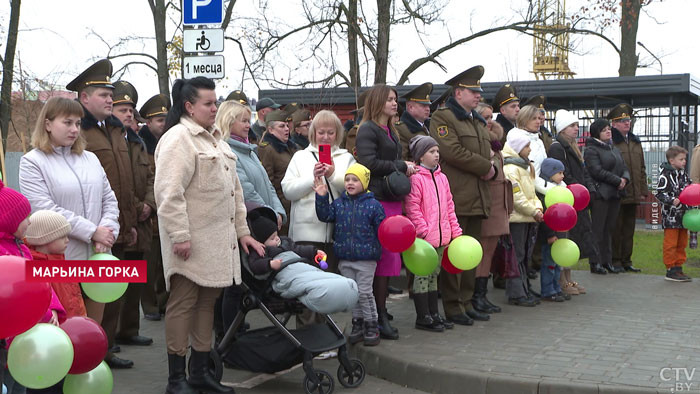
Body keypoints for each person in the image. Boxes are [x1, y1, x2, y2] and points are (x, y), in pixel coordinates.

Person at [154, 76, 263, 394]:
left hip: (218, 244)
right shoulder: (179, 139)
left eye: (215, 102)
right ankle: (176, 380)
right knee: (183, 304)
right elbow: (168, 193)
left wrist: (243, 231)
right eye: (209, 103)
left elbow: (236, 194)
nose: (215, 108)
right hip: (189, 243)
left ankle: (199, 372)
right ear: (189, 106)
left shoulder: (216, 140)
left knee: (206, 305)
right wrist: (179, 235)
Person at [18, 97, 119, 326]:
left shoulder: (90, 159)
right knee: (68, 331)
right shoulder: (32, 162)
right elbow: (44, 209)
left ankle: (99, 360)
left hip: (98, 256)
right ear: (48, 124)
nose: (75, 129)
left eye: (78, 123)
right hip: (60, 260)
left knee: (94, 329)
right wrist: (92, 231)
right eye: (68, 122)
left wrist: (107, 232)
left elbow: (109, 199)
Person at [65, 60, 138, 369]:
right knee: (87, 299)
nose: (110, 99)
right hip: (85, 236)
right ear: (84, 98)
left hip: (114, 228)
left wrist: (129, 222)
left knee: (111, 297)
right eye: (102, 94)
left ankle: (103, 350)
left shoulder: (115, 131)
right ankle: (87, 353)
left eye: (110, 94)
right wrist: (95, 230)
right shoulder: (76, 133)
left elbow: (123, 182)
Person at [429, 66, 495, 325]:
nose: (478, 95)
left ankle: (467, 302)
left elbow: (489, 154)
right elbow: (451, 152)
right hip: (457, 196)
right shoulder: (443, 118)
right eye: (473, 91)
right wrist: (486, 168)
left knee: (471, 253)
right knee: (455, 255)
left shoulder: (477, 121)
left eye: (479, 91)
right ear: (458, 93)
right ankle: (454, 307)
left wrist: (493, 167)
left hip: (478, 197)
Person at [215, 100, 286, 334]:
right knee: (234, 285)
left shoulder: (250, 150)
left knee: (241, 285)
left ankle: (235, 328)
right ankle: (228, 333)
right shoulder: (228, 151)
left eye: (248, 120)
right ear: (228, 122)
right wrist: (268, 215)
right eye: (243, 121)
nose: (249, 125)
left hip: (261, 221)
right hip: (247, 225)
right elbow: (246, 190)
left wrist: (277, 212)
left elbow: (267, 185)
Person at [355, 84, 417, 339]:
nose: (395, 104)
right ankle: (376, 316)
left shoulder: (390, 129)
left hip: (392, 199)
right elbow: (367, 163)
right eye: (390, 99)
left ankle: (380, 312)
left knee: (390, 260)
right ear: (378, 101)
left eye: (395, 99)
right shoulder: (367, 129)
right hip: (378, 200)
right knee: (381, 260)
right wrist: (401, 165)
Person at [1, 184, 67, 394]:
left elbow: (41, 284)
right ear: (9, 220)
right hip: (9, 340)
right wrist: (43, 313)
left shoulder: (21, 246)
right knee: (9, 383)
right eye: (25, 216)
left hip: (26, 339)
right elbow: (17, 296)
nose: (30, 221)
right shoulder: (4, 253)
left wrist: (53, 307)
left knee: (21, 385)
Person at [314, 163, 386, 346]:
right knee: (354, 294)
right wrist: (321, 197)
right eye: (347, 179)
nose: (350, 183)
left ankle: (372, 324)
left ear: (364, 182)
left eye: (355, 180)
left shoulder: (373, 205)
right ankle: (357, 323)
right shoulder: (339, 203)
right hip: (345, 257)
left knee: (365, 292)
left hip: (366, 258)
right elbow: (325, 215)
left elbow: (383, 230)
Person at [110, 80, 155, 348]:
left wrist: (149, 203)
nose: (128, 114)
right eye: (122, 108)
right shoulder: (112, 141)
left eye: (130, 109)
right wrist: (138, 207)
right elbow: (116, 182)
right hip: (122, 221)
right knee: (115, 283)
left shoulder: (136, 142)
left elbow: (150, 177)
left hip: (143, 220)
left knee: (134, 278)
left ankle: (129, 329)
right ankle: (112, 333)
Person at [282, 110, 355, 274]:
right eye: (321, 132)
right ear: (313, 133)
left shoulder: (347, 158)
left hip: (337, 235)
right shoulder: (300, 157)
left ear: (337, 134)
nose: (326, 137)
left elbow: (352, 191)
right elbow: (288, 191)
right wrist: (312, 178)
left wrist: (333, 175)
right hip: (305, 236)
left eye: (331, 132)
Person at [404, 135, 461, 331]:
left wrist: (455, 230)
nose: (436, 155)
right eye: (431, 152)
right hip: (425, 238)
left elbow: (449, 206)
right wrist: (423, 230)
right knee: (422, 274)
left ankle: (434, 313)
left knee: (434, 275)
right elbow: (412, 207)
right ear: (420, 156)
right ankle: (423, 316)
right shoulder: (416, 178)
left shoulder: (442, 178)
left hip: (442, 236)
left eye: (437, 151)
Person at [549, 109, 603, 287]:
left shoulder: (575, 147)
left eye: (577, 125)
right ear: (562, 128)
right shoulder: (558, 147)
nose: (576, 129)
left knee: (574, 239)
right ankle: (562, 280)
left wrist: (587, 190)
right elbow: (563, 174)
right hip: (567, 197)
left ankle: (569, 277)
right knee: (566, 238)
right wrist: (575, 190)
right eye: (572, 125)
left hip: (578, 199)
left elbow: (583, 171)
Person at [138, 93, 171, 321]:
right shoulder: (141, 146)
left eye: (165, 120)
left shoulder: (170, 143)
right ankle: (149, 305)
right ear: (148, 123)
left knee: (164, 264)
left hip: (167, 213)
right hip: (149, 214)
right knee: (148, 265)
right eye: (159, 120)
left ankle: (163, 302)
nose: (163, 124)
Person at [506, 105, 547, 285]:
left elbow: (539, 169)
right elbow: (518, 193)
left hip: (534, 200)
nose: (539, 121)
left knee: (526, 250)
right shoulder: (517, 140)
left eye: (540, 118)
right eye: (534, 118)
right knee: (518, 252)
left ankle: (525, 286)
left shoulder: (538, 140)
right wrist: (536, 207)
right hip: (523, 208)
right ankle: (518, 289)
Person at [474, 102, 509, 311]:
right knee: (482, 249)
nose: (490, 121)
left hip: (498, 200)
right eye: (485, 117)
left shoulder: (495, 142)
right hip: (487, 198)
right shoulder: (481, 142)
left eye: (490, 117)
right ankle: (476, 294)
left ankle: (482, 293)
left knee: (490, 249)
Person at [584, 119, 630, 275]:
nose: (608, 132)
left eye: (609, 129)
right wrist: (617, 181)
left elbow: (623, 166)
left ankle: (607, 261)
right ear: (597, 132)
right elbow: (596, 171)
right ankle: (595, 262)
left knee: (609, 229)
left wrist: (625, 179)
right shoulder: (591, 150)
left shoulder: (613, 148)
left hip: (615, 194)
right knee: (598, 229)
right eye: (604, 130)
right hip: (601, 194)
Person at [502, 134, 542, 307]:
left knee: (524, 254)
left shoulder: (525, 167)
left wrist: (538, 208)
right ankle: (516, 293)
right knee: (516, 255)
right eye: (526, 146)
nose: (530, 149)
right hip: (517, 219)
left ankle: (524, 288)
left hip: (527, 217)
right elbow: (516, 196)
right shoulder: (511, 169)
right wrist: (534, 210)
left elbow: (531, 193)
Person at [25, 210, 86, 318]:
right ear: (45, 239)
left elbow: (74, 296)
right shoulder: (34, 267)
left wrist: (81, 316)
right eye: (62, 237)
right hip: (55, 327)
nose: (67, 240)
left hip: (73, 324)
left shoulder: (61, 262)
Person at [609, 103, 646, 273]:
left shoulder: (635, 142)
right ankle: (615, 260)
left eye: (628, 120)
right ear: (614, 123)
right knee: (616, 228)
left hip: (634, 192)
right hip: (618, 192)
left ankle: (626, 260)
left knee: (629, 229)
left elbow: (642, 169)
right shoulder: (611, 143)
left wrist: (643, 191)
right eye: (622, 120)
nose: (626, 123)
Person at [535, 158, 571, 302]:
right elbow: (547, 218)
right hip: (550, 235)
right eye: (559, 173)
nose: (562, 176)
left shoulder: (561, 190)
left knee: (556, 263)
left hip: (559, 233)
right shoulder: (546, 194)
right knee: (549, 263)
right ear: (550, 174)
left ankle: (556, 288)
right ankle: (548, 290)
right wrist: (550, 235)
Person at [258, 109, 298, 236]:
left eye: (287, 125)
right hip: (282, 208)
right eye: (281, 126)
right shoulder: (268, 149)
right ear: (270, 130)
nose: (287, 129)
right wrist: (276, 209)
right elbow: (267, 182)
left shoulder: (292, 147)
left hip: (294, 205)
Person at [656, 146, 692, 282]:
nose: (684, 162)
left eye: (684, 159)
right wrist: (672, 200)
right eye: (681, 159)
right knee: (671, 242)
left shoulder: (683, 174)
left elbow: (689, 188)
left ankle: (679, 266)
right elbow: (659, 193)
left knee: (682, 242)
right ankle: (670, 268)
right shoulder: (665, 175)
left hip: (684, 216)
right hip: (670, 216)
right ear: (672, 161)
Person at [395, 82, 432, 161]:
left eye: (428, 105)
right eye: (423, 105)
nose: (428, 109)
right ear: (410, 107)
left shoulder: (429, 126)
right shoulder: (401, 129)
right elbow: (402, 160)